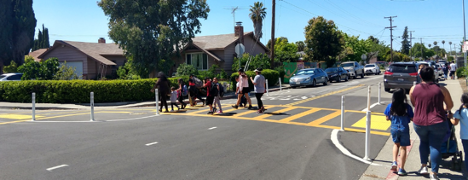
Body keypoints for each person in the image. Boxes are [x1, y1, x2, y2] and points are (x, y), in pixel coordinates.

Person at [409, 66, 454, 180]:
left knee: (423, 142)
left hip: (419, 122)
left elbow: (415, 104)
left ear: (420, 76)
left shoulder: (413, 89)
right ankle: (434, 173)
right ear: (433, 76)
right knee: (435, 146)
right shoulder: (441, 89)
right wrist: (443, 107)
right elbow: (450, 106)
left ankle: (424, 167)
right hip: (438, 122)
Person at [385, 88, 413, 176]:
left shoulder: (390, 106)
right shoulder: (407, 107)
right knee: (403, 148)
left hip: (394, 128)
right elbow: (412, 118)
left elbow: (387, 117)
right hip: (404, 128)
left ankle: (394, 162)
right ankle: (401, 168)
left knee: (396, 144)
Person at [451, 93, 468, 174]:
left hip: (465, 136)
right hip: (465, 136)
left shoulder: (460, 111)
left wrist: (450, 118)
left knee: (467, 154)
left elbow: (455, 123)